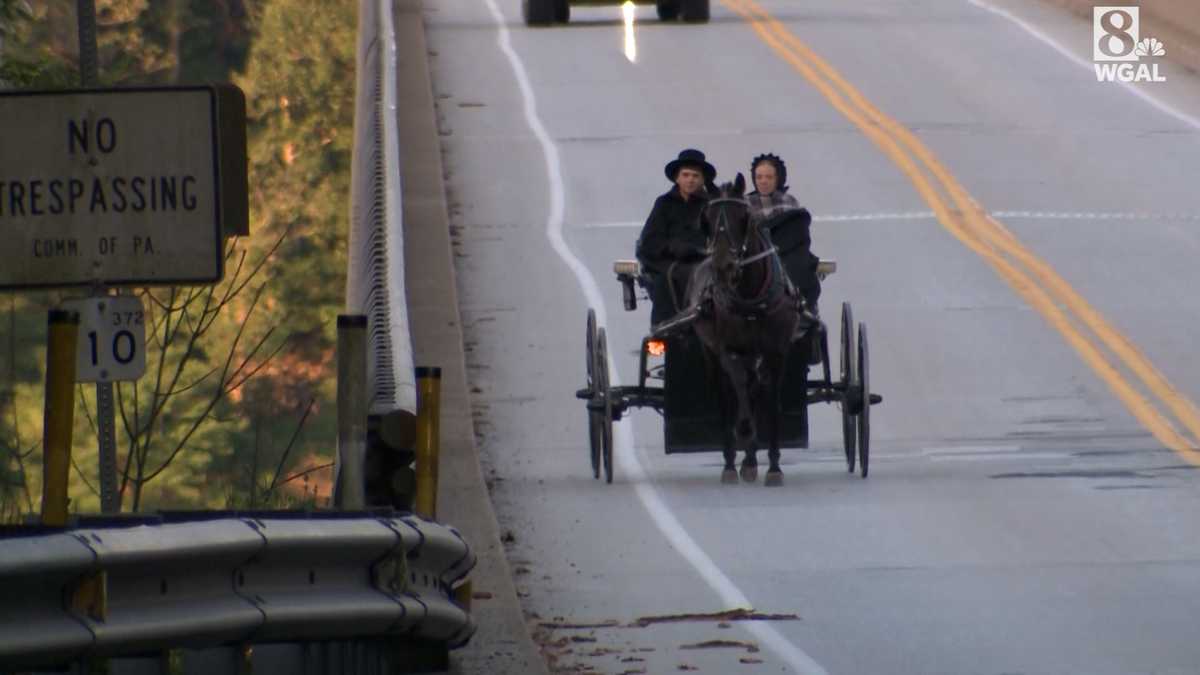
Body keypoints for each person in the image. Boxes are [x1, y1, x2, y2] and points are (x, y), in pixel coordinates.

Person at [636, 148, 716, 326]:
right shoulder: (664, 203)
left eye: (695, 176)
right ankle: (664, 326)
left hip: (704, 261)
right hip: (669, 262)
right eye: (686, 175)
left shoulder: (711, 204)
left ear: (703, 179)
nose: (690, 180)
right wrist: (675, 247)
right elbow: (649, 242)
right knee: (667, 281)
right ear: (677, 178)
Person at [747, 153, 820, 315]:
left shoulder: (790, 205)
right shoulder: (744, 207)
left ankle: (800, 307)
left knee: (797, 268)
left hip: (785, 258)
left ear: (778, 179)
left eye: (768, 177)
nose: (763, 181)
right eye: (759, 177)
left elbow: (799, 239)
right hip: (754, 261)